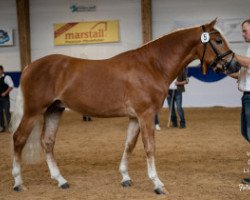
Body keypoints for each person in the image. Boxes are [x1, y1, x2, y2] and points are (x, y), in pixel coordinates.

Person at [230, 19, 250, 184]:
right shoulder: (248, 49)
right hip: (246, 97)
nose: (243, 34)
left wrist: (228, 54)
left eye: (245, 30)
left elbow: (249, 63)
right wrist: (224, 70)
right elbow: (241, 74)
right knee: (246, 132)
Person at [0, 65, 14, 132]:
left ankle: (10, 127)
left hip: (5, 99)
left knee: (7, 112)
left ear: (2, 70)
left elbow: (11, 86)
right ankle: (2, 127)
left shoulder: (7, 77)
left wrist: (5, 93)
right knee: (0, 113)